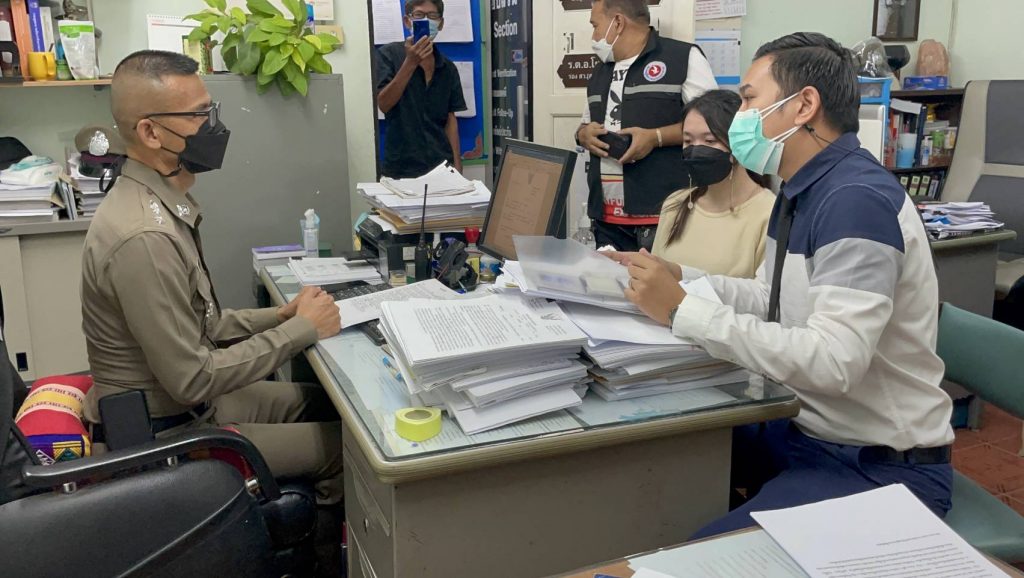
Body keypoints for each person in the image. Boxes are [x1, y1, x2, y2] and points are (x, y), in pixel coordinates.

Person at [622, 32, 955, 537]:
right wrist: (682, 279)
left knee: (703, 554)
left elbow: (835, 362)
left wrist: (683, 311)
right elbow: (769, 298)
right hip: (805, 431)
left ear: (804, 106)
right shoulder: (802, 189)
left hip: (876, 465)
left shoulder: (855, 202)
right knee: (647, 453)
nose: (739, 117)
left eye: (749, 99)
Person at [80, 50, 344, 502]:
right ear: (150, 132)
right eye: (198, 115)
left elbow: (204, 325)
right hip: (165, 434)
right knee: (347, 448)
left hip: (185, 407)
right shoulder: (144, 236)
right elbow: (192, 378)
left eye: (210, 110)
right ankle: (306, 535)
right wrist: (301, 331)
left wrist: (280, 316)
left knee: (324, 402)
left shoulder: (158, 202)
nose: (212, 127)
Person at [575, 0, 717, 252]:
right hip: (606, 221)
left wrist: (655, 137)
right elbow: (585, 124)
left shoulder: (682, 58)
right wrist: (583, 134)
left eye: (595, 26)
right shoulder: (600, 72)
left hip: (662, 216)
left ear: (618, 22)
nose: (594, 37)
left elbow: (715, 123)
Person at [608, 89, 775, 279]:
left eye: (709, 140)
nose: (696, 150)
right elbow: (657, 278)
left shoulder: (769, 213)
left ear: (739, 143)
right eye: (688, 140)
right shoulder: (675, 203)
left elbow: (765, 293)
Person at [376, 0, 466, 178]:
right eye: (419, 15)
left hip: (441, 167)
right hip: (400, 167)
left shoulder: (447, 68)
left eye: (432, 16)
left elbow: (450, 119)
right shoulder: (389, 55)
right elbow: (384, 104)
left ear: (440, 24)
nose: (426, 21)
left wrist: (457, 165)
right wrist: (410, 62)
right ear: (407, 21)